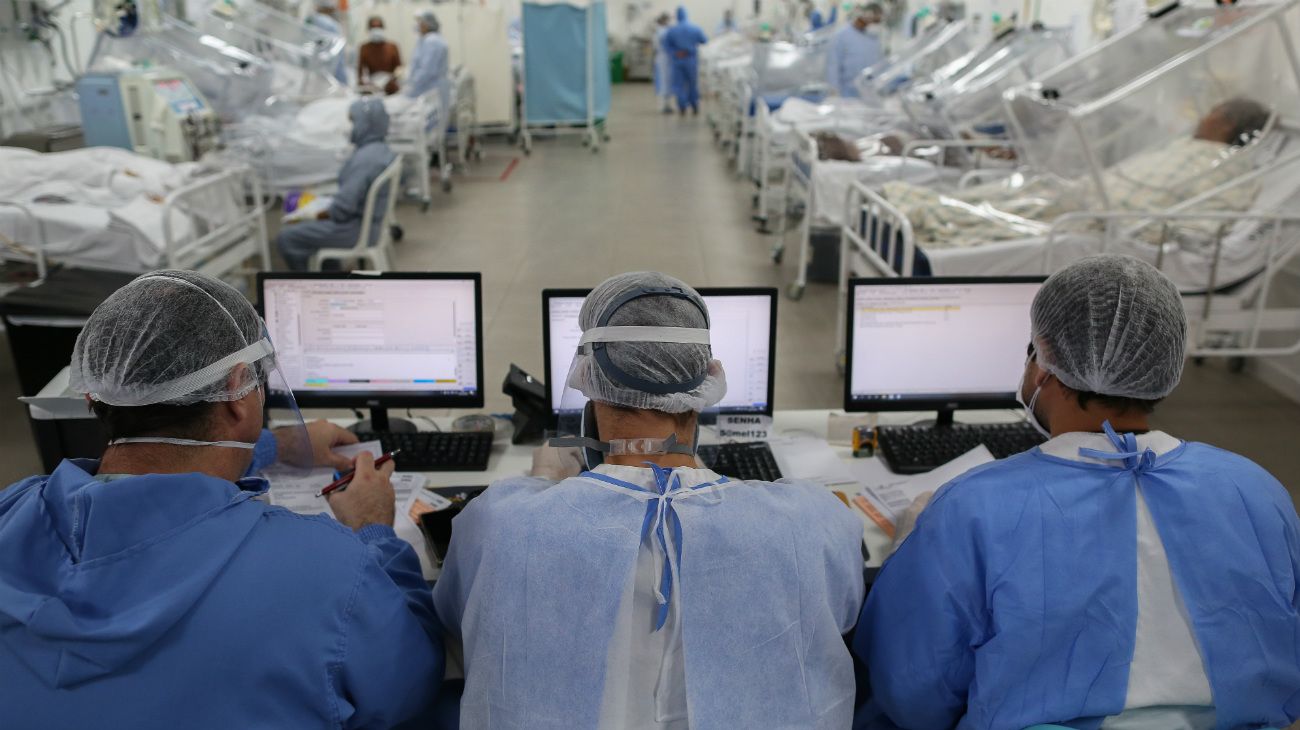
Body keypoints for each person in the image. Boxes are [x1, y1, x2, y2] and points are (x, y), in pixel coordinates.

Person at [855, 255, 1300, 729]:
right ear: (1164, 362)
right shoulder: (1255, 489)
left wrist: (917, 544)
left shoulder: (971, 509)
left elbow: (913, 690)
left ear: (1042, 363)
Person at [0, 270, 444, 728]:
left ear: (99, 392)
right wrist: (376, 533)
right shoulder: (330, 570)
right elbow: (410, 684)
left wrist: (279, 445)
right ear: (237, 389)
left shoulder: (11, 511)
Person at [433, 272, 864, 728]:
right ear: (706, 386)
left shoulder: (498, 523)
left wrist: (541, 482)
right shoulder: (814, 521)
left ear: (589, 385)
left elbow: (455, 618)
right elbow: (845, 608)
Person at [881, 97, 1273, 250]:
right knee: (1017, 198)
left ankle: (929, 212)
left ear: (1224, 124)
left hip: (1108, 218)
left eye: (1211, 111)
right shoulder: (1186, 148)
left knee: (1019, 215)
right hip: (1087, 198)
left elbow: (1206, 217)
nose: (1202, 115)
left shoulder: (1230, 168)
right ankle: (929, 206)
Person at [276, 98, 396, 271]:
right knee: (307, 226)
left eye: (353, 121)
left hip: (355, 231)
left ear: (365, 123)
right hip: (371, 225)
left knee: (288, 238)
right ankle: (331, 273)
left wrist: (318, 214)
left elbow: (342, 209)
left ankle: (309, 286)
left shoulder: (365, 160)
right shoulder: (380, 149)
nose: (349, 127)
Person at [827, 4, 883, 97]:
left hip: (869, 93)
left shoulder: (873, 38)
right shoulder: (842, 36)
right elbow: (833, 65)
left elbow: (878, 64)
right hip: (846, 93)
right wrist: (834, 90)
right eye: (874, 20)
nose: (874, 24)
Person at [662, 7, 708, 116]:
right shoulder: (695, 28)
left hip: (677, 60)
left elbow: (666, 45)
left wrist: (675, 52)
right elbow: (704, 41)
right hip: (691, 60)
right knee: (692, 83)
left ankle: (682, 107)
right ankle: (694, 105)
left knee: (679, 84)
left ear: (677, 16)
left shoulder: (671, 30)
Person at [405, 10, 451, 119]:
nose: (417, 26)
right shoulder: (428, 40)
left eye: (420, 23)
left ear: (427, 25)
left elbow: (427, 71)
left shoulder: (432, 42)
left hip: (431, 89)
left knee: (434, 122)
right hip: (431, 88)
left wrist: (411, 87)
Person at [306, 0, 348, 85]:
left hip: (307, 74)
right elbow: (338, 59)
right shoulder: (332, 26)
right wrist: (343, 83)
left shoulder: (309, 20)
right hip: (325, 77)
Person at [358, 16, 402, 95]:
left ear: (383, 28)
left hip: (390, 84)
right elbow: (360, 71)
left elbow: (399, 68)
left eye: (379, 27)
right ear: (369, 29)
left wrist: (394, 79)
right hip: (372, 84)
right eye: (373, 27)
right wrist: (364, 83)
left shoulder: (392, 46)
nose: (376, 30)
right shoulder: (364, 48)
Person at [653, 13, 675, 114]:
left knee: (667, 81)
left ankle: (667, 104)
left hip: (666, 57)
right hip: (663, 57)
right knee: (664, 81)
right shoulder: (661, 32)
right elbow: (658, 45)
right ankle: (664, 106)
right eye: (666, 20)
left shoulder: (663, 31)